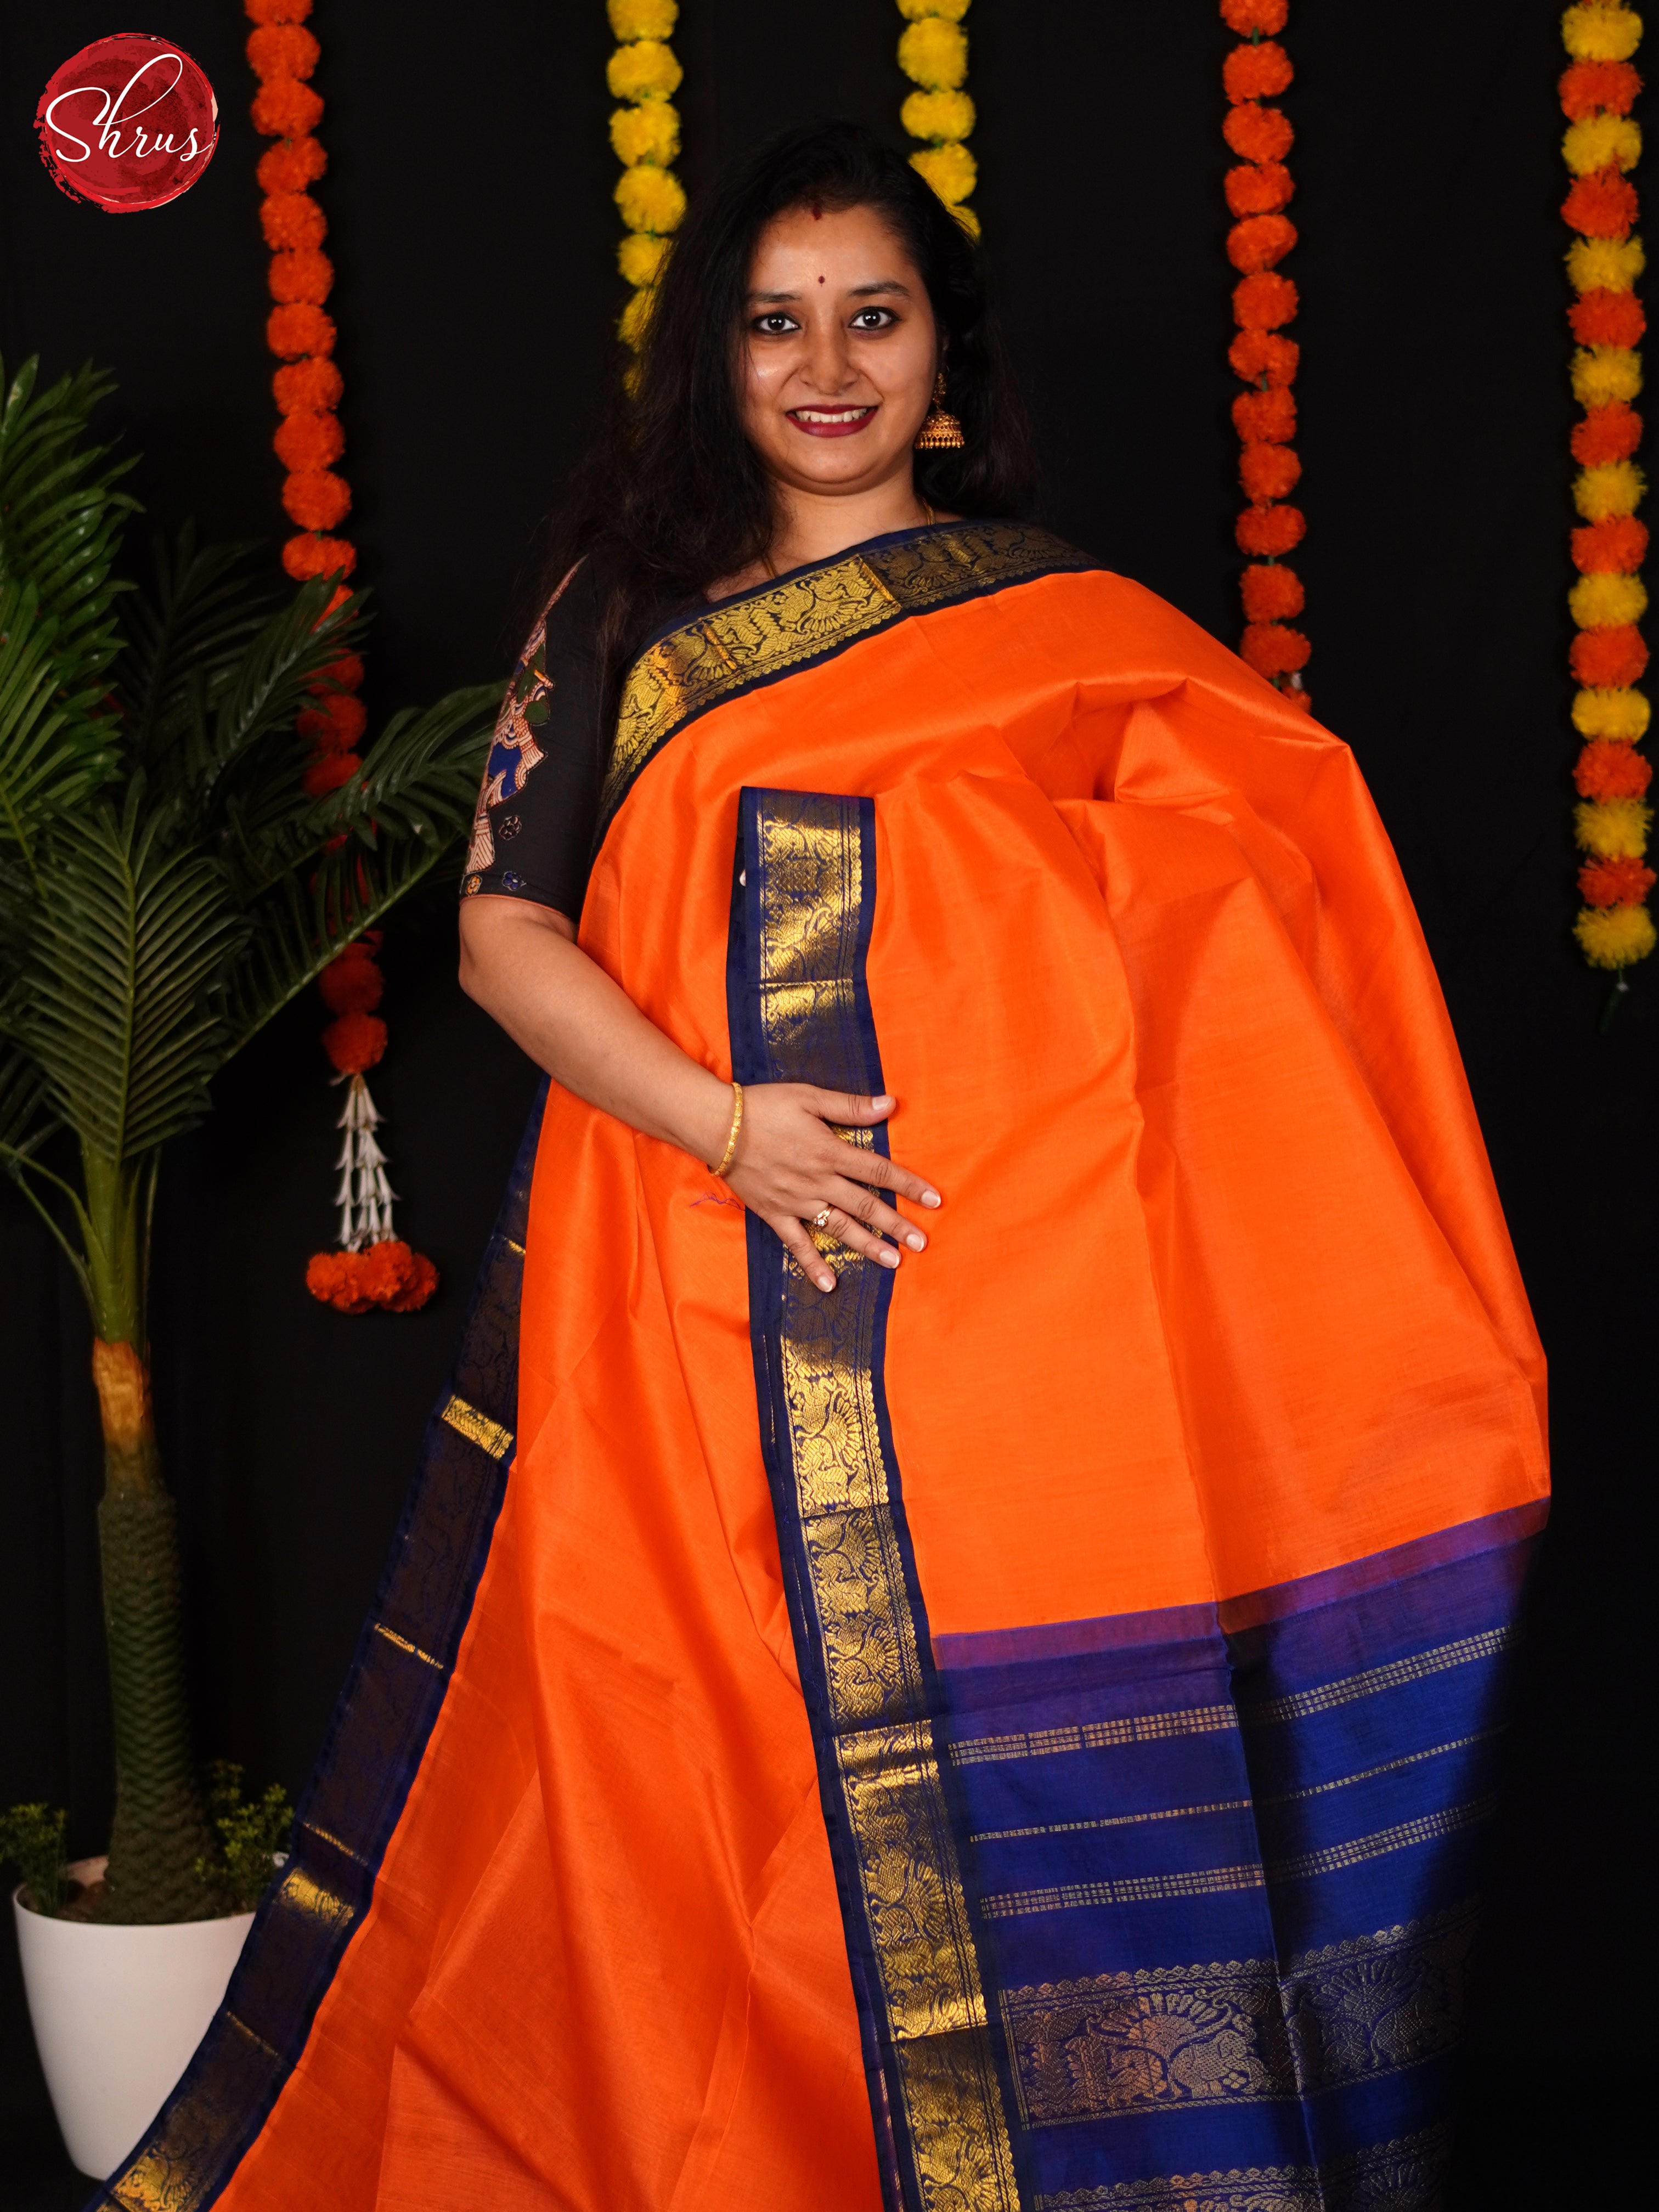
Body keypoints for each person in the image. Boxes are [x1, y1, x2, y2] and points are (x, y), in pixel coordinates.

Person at [117, 123, 1546, 2212]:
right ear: (717, 361)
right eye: (776, 324)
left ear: (941, 356)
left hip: (1007, 1302)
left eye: (871, 318)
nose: (826, 366)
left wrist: (1036, 904)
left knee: (984, 1748)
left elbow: (1265, 884)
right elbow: (505, 937)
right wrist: (731, 1123)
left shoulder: (1066, 622)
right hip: (699, 1271)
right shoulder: (622, 612)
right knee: (722, 1749)